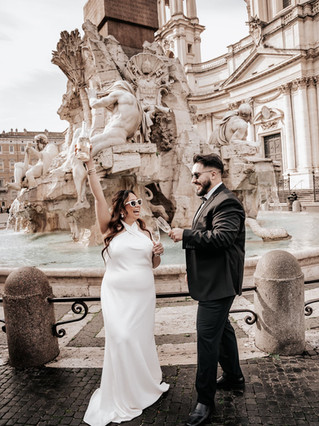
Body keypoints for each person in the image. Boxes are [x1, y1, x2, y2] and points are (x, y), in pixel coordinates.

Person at [83, 153, 169, 425]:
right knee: (121, 339)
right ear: (122, 208)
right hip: (117, 296)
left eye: (139, 201)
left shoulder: (146, 232)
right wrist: (90, 167)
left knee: (140, 339)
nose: (138, 205)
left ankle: (143, 384)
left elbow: (153, 265)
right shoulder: (110, 229)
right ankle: (122, 391)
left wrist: (158, 253)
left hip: (143, 296)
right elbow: (98, 197)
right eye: (132, 202)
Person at [169, 153, 246, 426]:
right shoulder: (212, 199)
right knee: (222, 330)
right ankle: (235, 377)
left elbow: (223, 238)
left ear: (213, 174)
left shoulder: (227, 202)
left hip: (218, 285)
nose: (193, 179)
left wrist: (185, 235)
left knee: (206, 339)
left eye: (196, 174)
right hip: (215, 282)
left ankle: (204, 401)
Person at [86, 80, 143, 157]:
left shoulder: (119, 93)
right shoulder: (136, 105)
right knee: (88, 155)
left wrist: (92, 97)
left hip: (112, 134)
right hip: (121, 137)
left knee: (83, 149)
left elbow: (95, 104)